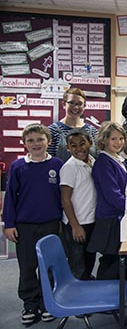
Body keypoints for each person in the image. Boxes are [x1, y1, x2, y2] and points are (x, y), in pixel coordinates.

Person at [2, 124, 62, 325]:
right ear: (24, 143)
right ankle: (30, 303)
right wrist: (9, 223)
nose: (36, 144)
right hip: (25, 225)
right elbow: (10, 197)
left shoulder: (57, 164)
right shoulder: (18, 166)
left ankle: (48, 302)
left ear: (48, 141)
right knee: (27, 266)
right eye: (31, 140)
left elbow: (64, 197)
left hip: (51, 224)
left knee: (49, 266)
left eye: (40, 139)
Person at [87, 122, 127, 280]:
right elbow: (112, 195)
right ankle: (104, 298)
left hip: (118, 215)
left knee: (117, 259)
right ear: (104, 140)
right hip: (110, 218)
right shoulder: (104, 162)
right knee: (110, 259)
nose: (118, 142)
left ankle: (116, 294)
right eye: (113, 139)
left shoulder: (118, 159)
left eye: (121, 138)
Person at [60, 129, 97, 281]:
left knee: (89, 260)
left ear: (90, 143)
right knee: (77, 265)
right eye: (73, 145)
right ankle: (74, 299)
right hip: (77, 223)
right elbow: (65, 199)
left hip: (91, 221)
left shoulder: (92, 161)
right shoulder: (69, 167)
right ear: (68, 148)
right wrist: (75, 226)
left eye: (82, 143)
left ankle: (87, 289)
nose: (79, 148)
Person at [48, 88, 98, 162]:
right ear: (64, 104)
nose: (75, 107)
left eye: (80, 104)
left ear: (84, 106)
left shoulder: (93, 131)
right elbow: (48, 160)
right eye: (71, 103)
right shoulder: (52, 131)